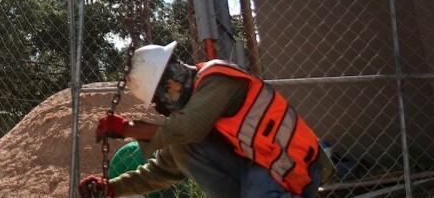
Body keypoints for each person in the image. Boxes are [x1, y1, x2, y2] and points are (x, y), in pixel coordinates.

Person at [79, 42, 334, 198]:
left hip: (293, 165)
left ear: (172, 82)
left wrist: (127, 128)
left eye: (160, 100)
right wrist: (112, 189)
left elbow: (187, 128)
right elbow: (163, 169)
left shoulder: (217, 78)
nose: (162, 108)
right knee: (180, 148)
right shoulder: (192, 114)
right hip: (261, 168)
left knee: (181, 138)